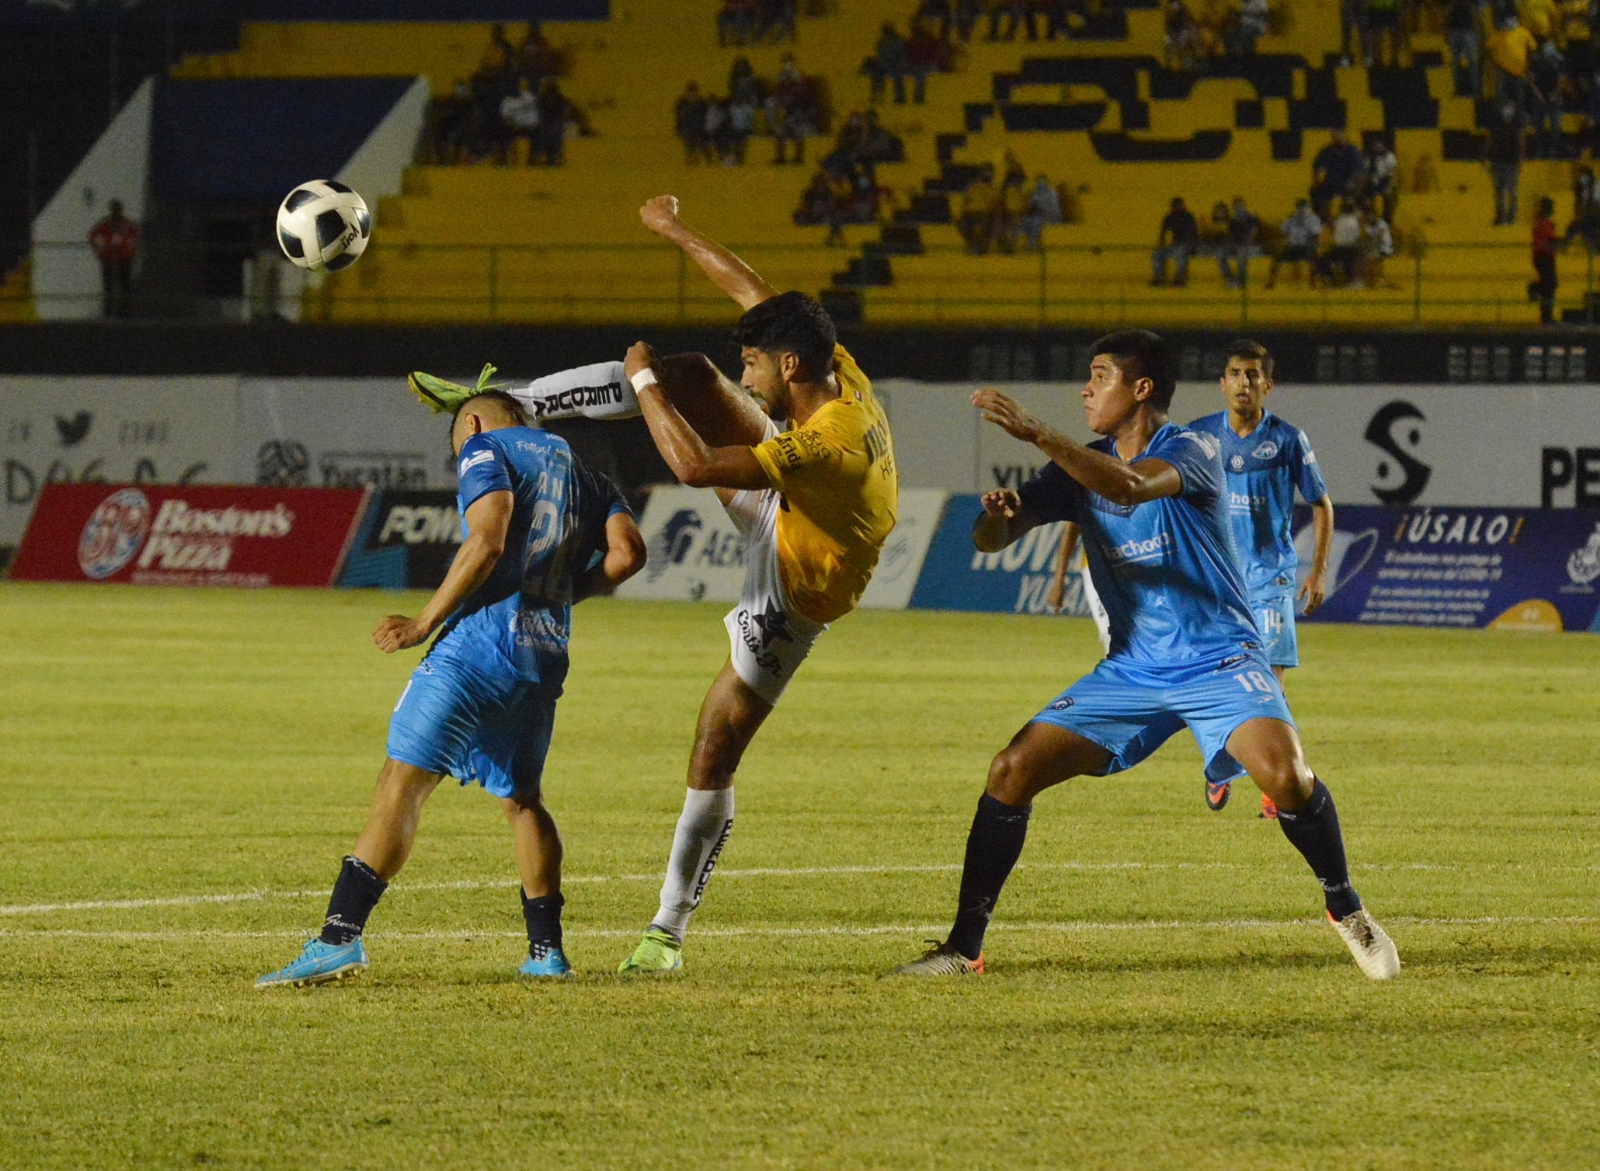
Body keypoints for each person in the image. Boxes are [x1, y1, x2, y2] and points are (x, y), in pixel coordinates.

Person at [406, 197, 899, 976]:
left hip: (800, 580)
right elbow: (751, 288)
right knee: (693, 374)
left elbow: (697, 466)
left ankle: (666, 929)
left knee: (714, 748)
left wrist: (641, 384)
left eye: (756, 365)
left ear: (791, 368)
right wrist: (675, 231)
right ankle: (522, 406)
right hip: (799, 502)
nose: (748, 373)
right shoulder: (831, 371)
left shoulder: (827, 441)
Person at [891, 329, 1398, 982]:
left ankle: (1345, 907)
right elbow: (994, 539)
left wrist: (1040, 434)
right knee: (1011, 769)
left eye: (1099, 375)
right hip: (1134, 669)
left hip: (1219, 658)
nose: (1085, 388)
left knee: (1287, 775)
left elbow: (1129, 486)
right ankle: (964, 949)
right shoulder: (1078, 466)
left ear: (1141, 389)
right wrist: (1000, 514)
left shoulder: (1190, 449)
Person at [255, 393, 646, 988]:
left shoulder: (485, 447)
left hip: (476, 652)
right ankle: (547, 953)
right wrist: (562, 594)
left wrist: (423, 622)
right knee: (522, 801)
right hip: (541, 656)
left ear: (472, 422)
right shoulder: (585, 472)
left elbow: (485, 540)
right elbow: (627, 556)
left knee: (402, 782)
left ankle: (338, 939)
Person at [1187, 341, 1334, 817]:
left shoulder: (1289, 439)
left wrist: (1317, 571)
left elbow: (1321, 503)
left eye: (1253, 375)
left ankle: (1274, 786)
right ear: (1222, 382)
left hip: (1270, 579)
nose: (1243, 383)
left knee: (1269, 686)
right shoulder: (1199, 436)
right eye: (1235, 373)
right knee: (1219, 686)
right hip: (1216, 581)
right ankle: (1219, 766)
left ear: (1267, 386)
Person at [88, 200, 138, 319]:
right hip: (109, 258)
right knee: (109, 286)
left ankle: (124, 310)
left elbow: (136, 236)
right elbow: (92, 235)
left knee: (124, 285)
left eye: (117, 209)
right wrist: (99, 252)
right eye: (114, 209)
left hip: (124, 258)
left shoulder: (127, 224)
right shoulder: (105, 224)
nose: (116, 212)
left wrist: (131, 251)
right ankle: (109, 310)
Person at [1267, 198, 1323, 288]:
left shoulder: (1314, 219)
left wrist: (1315, 245)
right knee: (1277, 259)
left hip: (1306, 247)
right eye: (1300, 207)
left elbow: (1317, 236)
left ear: (1308, 208)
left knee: (1315, 262)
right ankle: (1271, 282)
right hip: (1292, 247)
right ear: (1297, 208)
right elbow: (1281, 231)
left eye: (1304, 207)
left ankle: (1313, 282)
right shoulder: (1291, 219)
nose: (1302, 210)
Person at [1486, 99, 1526, 225]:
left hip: (1511, 162)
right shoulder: (1496, 122)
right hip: (1497, 160)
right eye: (1505, 107)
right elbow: (1489, 139)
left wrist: (1520, 161)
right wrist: (1485, 156)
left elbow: (1521, 143)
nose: (1507, 110)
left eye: (1510, 107)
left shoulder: (1517, 123)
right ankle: (1500, 216)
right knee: (1499, 190)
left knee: (1512, 190)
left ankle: (1512, 216)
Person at [1151, 196, 1198, 286]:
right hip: (1174, 245)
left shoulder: (1189, 217)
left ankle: (1180, 279)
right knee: (1157, 254)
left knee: (1180, 253)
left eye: (1179, 205)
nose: (1177, 207)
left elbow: (1193, 234)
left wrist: (1190, 245)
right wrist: (1163, 243)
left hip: (1188, 245)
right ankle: (1159, 278)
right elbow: (1163, 233)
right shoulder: (1169, 217)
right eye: (1175, 206)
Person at [1531, 195, 1561, 323]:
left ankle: (1546, 316)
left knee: (1550, 286)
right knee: (1550, 284)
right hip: (1544, 256)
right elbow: (1547, 240)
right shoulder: (1543, 223)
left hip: (1546, 256)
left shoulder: (1544, 222)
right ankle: (1535, 288)